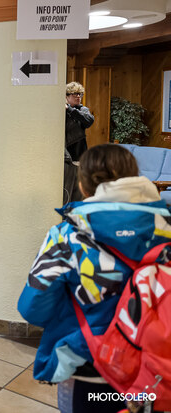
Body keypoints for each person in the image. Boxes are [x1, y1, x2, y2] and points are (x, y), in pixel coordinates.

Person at [18, 144, 171, 413]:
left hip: (88, 361)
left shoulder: (66, 235)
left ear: (84, 186)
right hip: (152, 365)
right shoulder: (166, 228)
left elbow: (33, 308)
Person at [65, 82, 94, 162]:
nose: (78, 96)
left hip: (78, 148)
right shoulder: (60, 110)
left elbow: (89, 121)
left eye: (80, 94)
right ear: (66, 96)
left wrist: (70, 109)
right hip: (63, 148)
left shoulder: (83, 109)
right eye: (75, 94)